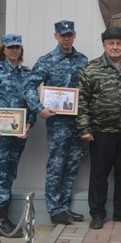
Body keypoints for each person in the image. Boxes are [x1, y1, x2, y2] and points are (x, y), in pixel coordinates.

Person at [23, 20, 88, 225]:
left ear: (75, 35)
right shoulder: (47, 60)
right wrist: (38, 108)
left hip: (78, 122)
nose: (66, 38)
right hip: (57, 122)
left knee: (72, 163)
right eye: (62, 35)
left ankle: (64, 207)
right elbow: (28, 85)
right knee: (57, 164)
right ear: (56, 36)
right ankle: (54, 209)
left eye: (70, 34)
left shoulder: (83, 60)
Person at [77, 27, 121, 230]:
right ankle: (97, 214)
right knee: (99, 176)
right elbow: (82, 101)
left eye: (119, 43)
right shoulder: (91, 69)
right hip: (101, 132)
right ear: (104, 45)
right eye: (111, 43)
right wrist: (85, 127)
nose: (115, 47)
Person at [0, 34, 36, 238]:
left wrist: (29, 123)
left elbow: (32, 102)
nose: (14, 50)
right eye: (10, 47)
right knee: (0, 175)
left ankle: (5, 216)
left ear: (21, 50)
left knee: (10, 173)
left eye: (17, 47)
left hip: (18, 134)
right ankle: (1, 219)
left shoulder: (27, 73)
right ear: (3, 49)